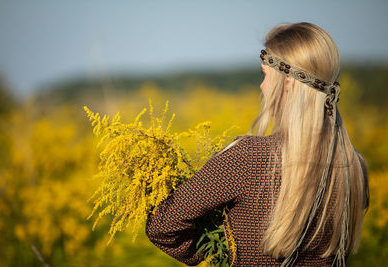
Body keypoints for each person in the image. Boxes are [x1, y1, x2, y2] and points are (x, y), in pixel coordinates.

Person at [145, 22, 369, 266]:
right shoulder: (354, 166)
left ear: (287, 82)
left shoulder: (247, 158)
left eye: (265, 75)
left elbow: (162, 225)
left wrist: (216, 254)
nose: (262, 86)